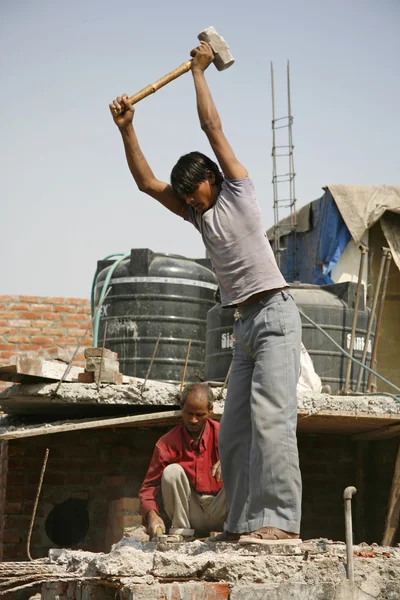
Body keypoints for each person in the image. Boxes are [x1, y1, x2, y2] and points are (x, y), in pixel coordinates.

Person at [110, 40, 302, 545]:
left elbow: (212, 130)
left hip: (276, 314)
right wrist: (128, 129)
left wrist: (199, 71)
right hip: (243, 325)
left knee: (272, 422)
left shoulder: (237, 189)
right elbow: (147, 183)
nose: (192, 202)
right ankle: (242, 523)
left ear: (212, 180)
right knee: (234, 430)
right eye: (188, 197)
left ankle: (280, 522)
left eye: (195, 192)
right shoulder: (199, 217)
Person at [138, 383, 227, 539]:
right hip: (190, 514)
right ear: (181, 407)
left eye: (200, 415)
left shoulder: (225, 435)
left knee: (239, 464)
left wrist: (230, 460)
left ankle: (236, 529)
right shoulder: (167, 443)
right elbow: (149, 488)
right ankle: (181, 532)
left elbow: (253, 464)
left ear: (211, 410)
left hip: (222, 511)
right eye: (189, 413)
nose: (193, 420)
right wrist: (152, 515)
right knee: (172, 472)